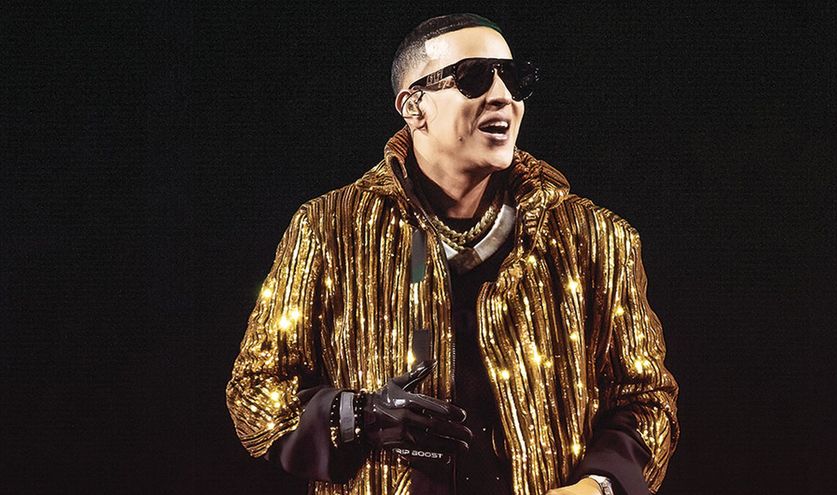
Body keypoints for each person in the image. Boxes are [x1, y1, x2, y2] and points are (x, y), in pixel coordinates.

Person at [226, 13, 679, 495]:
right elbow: (255, 389)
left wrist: (599, 486)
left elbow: (646, 395)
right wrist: (357, 416)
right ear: (413, 106)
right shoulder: (329, 228)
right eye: (474, 77)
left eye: (514, 78)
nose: (503, 95)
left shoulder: (594, 237)